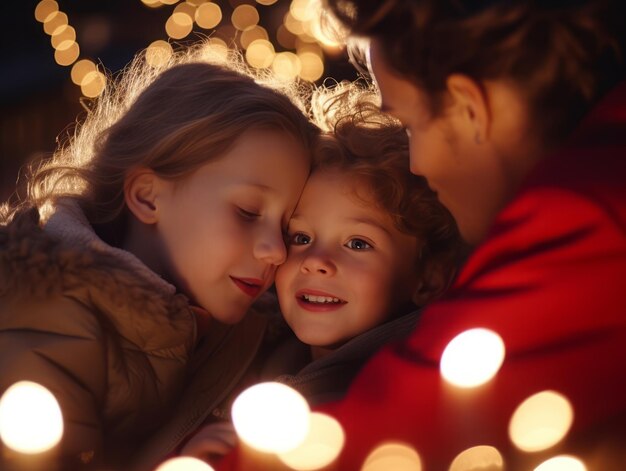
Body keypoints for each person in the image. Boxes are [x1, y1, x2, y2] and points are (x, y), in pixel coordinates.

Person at [216, 0, 626, 470]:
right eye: (301, 236)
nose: (417, 165)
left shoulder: (586, 217)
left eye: (412, 125)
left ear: (470, 106)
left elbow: (403, 419)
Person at [0, 41, 318, 469]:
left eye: (287, 228)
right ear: (148, 197)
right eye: (247, 212)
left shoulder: (255, 327)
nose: (276, 251)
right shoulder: (45, 321)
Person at [178, 85, 464, 464]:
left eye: (358, 243)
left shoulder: (392, 396)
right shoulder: (251, 353)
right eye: (300, 237)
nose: (316, 260)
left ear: (427, 279)